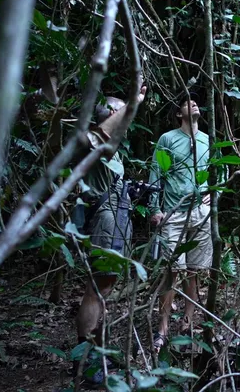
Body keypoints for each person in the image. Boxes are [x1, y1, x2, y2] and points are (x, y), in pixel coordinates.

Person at [72, 86, 146, 383]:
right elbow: (101, 136)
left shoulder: (113, 153)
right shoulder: (96, 144)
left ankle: (98, 356)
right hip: (105, 223)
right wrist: (133, 103)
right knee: (97, 289)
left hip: (117, 220)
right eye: (119, 113)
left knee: (105, 289)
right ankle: (85, 361)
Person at [148, 92, 212, 353]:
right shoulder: (168, 139)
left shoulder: (207, 139)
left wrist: (211, 191)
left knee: (195, 270)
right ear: (178, 114)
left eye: (195, 101)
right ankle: (163, 328)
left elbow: (215, 168)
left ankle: (187, 323)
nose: (193, 103)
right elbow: (156, 173)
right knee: (172, 271)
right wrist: (155, 208)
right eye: (186, 102)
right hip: (173, 213)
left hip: (200, 212)